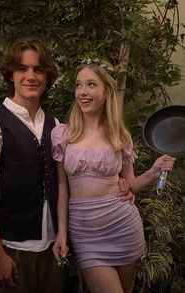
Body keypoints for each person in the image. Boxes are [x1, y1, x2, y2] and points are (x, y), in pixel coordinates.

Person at [51, 59, 175, 293]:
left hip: (123, 226)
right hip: (86, 234)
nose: (83, 92)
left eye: (91, 84)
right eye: (78, 85)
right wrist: (61, 233)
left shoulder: (120, 136)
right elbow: (62, 187)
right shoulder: (63, 134)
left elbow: (130, 185)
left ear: (107, 91)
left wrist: (153, 171)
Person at [0, 38, 63, 293]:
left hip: (53, 248)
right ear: (11, 75)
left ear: (47, 76)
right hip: (12, 249)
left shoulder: (56, 125)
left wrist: (120, 179)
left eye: (38, 69)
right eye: (22, 69)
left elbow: (68, 180)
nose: (31, 76)